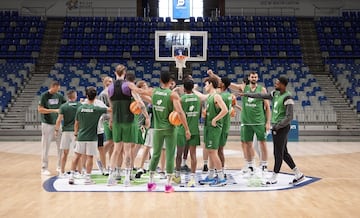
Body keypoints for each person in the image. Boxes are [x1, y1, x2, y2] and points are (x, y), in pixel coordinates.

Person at [240, 76, 305, 185]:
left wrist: (277, 126)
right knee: (284, 153)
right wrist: (247, 94)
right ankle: (298, 174)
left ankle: (274, 177)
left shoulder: (287, 97)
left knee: (277, 153)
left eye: (277, 83)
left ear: (283, 85)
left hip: (281, 128)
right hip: (277, 127)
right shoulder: (275, 94)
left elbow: (289, 117)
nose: (275, 84)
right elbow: (261, 95)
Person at [144, 71, 191, 193]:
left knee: (155, 155)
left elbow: (142, 94)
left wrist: (133, 88)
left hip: (157, 129)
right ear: (170, 82)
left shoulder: (154, 92)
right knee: (170, 155)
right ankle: (168, 185)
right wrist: (186, 128)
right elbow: (180, 113)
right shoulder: (172, 95)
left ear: (160, 80)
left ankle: (150, 183)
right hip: (170, 129)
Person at [107, 65, 150, 187]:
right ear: (124, 73)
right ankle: (127, 178)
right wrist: (146, 117)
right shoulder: (128, 85)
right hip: (128, 121)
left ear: (115, 72)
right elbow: (140, 103)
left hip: (116, 121)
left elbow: (112, 108)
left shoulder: (109, 88)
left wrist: (111, 120)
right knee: (127, 151)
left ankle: (111, 177)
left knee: (116, 150)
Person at [223, 71, 271, 174]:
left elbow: (267, 107)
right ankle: (250, 165)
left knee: (262, 143)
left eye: (255, 77)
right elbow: (230, 85)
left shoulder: (262, 89)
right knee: (247, 144)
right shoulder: (244, 88)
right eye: (252, 77)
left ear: (257, 78)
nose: (254, 78)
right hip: (246, 122)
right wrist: (214, 77)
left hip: (259, 121)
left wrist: (268, 122)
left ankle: (264, 165)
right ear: (249, 78)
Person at [68, 87, 111, 185]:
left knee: (76, 155)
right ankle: (87, 178)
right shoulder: (97, 109)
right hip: (92, 137)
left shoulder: (80, 108)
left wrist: (75, 133)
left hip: (81, 136)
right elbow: (110, 110)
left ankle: (71, 176)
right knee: (90, 157)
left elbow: (76, 123)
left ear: (86, 96)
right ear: (95, 96)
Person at [194, 77, 228, 187]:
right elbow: (200, 96)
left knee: (213, 152)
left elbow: (225, 110)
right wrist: (191, 89)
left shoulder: (216, 96)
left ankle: (221, 178)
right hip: (208, 127)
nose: (204, 87)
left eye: (206, 84)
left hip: (214, 128)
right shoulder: (209, 97)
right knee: (210, 152)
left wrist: (215, 119)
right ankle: (211, 176)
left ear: (211, 84)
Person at [173, 79, 201, 187]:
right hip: (194, 129)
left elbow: (178, 113)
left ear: (184, 88)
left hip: (182, 130)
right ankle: (193, 178)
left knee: (179, 154)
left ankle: (177, 176)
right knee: (193, 155)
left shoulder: (181, 99)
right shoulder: (198, 99)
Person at [38, 81, 66, 175]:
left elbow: (65, 105)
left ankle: (59, 166)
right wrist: (53, 110)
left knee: (60, 146)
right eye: (57, 88)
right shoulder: (44, 96)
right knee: (46, 146)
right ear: (53, 86)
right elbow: (40, 109)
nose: (58, 90)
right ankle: (44, 167)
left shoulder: (60, 96)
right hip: (47, 124)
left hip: (58, 124)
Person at [55, 90, 82, 176]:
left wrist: (56, 130)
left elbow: (59, 120)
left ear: (68, 97)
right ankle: (79, 171)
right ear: (75, 96)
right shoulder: (79, 105)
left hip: (66, 131)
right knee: (78, 153)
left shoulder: (63, 106)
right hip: (76, 131)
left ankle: (62, 171)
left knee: (65, 153)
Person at [96, 76, 113, 175]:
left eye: (111, 81)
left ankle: (111, 165)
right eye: (108, 81)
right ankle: (100, 160)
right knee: (111, 141)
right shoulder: (103, 94)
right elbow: (102, 109)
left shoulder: (112, 93)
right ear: (104, 83)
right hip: (107, 120)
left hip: (114, 119)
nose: (109, 83)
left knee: (114, 145)